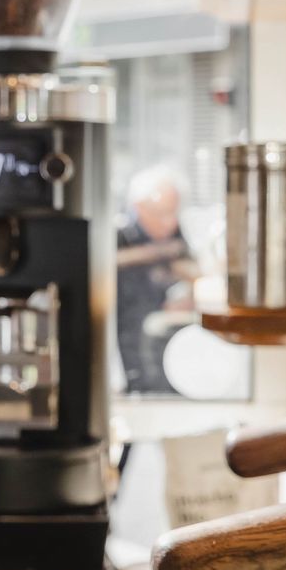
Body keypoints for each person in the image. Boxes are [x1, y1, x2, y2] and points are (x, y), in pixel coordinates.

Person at [114, 164, 198, 396]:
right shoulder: (120, 233)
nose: (170, 222)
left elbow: (194, 271)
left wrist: (189, 292)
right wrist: (156, 253)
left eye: (174, 213)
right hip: (126, 331)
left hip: (165, 334)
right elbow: (101, 263)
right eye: (161, 214)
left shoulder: (175, 234)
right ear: (139, 208)